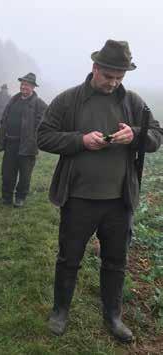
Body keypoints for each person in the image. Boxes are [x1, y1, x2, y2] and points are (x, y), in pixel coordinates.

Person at [37, 40, 163, 342]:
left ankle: (113, 316)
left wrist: (134, 135)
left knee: (116, 261)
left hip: (120, 202)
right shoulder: (69, 100)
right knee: (69, 259)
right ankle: (60, 312)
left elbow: (156, 136)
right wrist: (81, 141)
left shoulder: (133, 102)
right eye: (109, 76)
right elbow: (43, 136)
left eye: (120, 77)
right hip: (79, 198)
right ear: (95, 68)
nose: (114, 82)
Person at [0, 73, 47, 207]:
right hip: (10, 143)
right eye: (22, 84)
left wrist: (34, 136)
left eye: (27, 85)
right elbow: (5, 118)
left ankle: (20, 198)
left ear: (33, 87)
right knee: (7, 173)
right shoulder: (14, 100)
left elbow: (45, 122)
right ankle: (6, 197)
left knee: (25, 175)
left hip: (27, 146)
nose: (23, 87)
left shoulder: (39, 104)